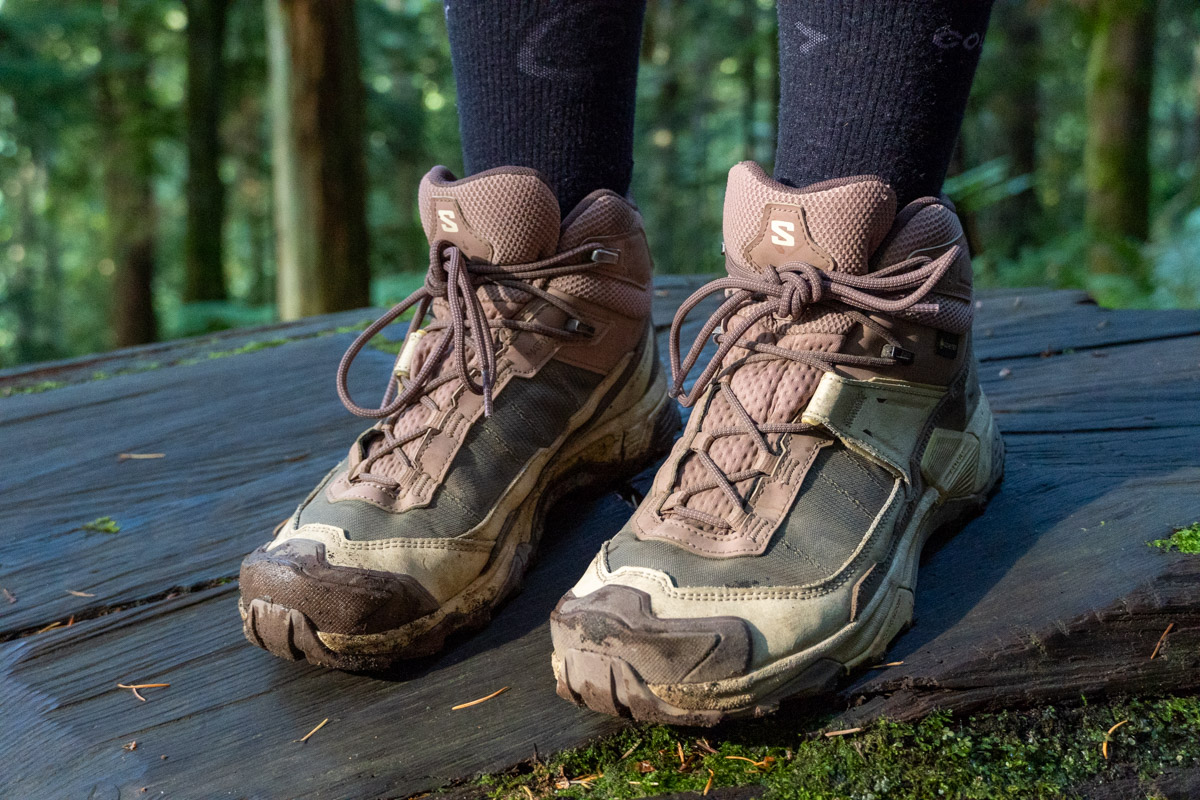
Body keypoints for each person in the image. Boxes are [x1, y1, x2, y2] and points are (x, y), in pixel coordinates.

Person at [238, 0, 1000, 725]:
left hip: (892, 346)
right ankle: (578, 335)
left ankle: (891, 363)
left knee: (858, 226)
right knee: (534, 212)